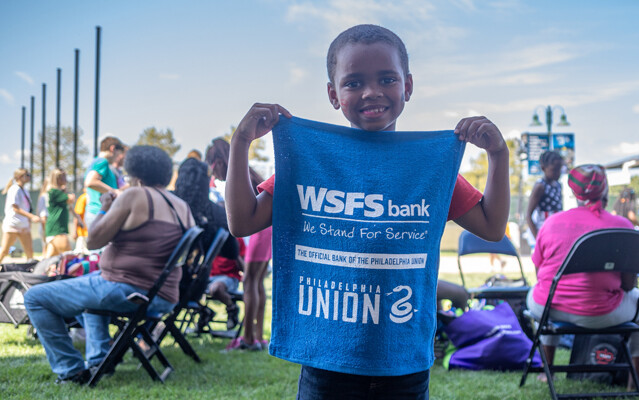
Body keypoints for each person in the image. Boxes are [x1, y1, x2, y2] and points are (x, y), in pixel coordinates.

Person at [225, 24, 509, 398]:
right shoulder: (311, 163)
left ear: (408, 86)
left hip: (403, 361)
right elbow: (242, 221)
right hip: (327, 361)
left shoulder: (427, 167)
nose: (371, 92)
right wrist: (240, 143)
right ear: (333, 93)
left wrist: (498, 155)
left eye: (386, 79)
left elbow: (491, 227)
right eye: (354, 82)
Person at [24, 145, 195, 384]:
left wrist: (105, 208)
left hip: (129, 290)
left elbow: (93, 241)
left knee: (35, 297)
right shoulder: (181, 206)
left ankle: (71, 370)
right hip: (163, 295)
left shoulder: (136, 195)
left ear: (135, 175)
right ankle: (98, 360)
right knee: (90, 288)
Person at [526, 164, 639, 390]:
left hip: (549, 308)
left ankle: (547, 371)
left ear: (573, 191)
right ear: (604, 190)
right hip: (602, 314)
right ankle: (637, 381)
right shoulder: (622, 226)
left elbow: (541, 274)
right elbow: (629, 285)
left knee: (540, 293)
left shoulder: (551, 223)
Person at [205, 138, 272, 350]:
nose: (213, 174)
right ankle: (257, 336)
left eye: (212, 166)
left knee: (250, 282)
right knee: (257, 283)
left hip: (259, 232)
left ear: (218, 162)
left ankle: (249, 339)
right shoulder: (248, 173)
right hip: (266, 230)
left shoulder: (239, 176)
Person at [173, 157, 242, 332]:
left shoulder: (168, 204)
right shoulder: (217, 213)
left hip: (163, 282)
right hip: (194, 285)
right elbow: (232, 252)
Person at [83, 136, 125, 228]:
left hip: (95, 214)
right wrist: (115, 192)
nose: (118, 157)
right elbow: (90, 182)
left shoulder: (95, 162)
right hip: (100, 213)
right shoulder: (102, 162)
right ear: (112, 149)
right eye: (119, 153)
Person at [524, 151, 563, 247]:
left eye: (559, 169)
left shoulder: (557, 185)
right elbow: (528, 215)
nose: (558, 173)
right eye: (554, 170)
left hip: (557, 231)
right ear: (543, 168)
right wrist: (538, 240)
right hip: (544, 231)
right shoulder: (540, 187)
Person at [1, 168, 41, 262]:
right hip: (13, 225)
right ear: (20, 177)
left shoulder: (25, 190)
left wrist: (28, 221)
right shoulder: (14, 189)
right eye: (26, 175)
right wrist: (32, 217)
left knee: (29, 251)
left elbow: (26, 208)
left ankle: (30, 271)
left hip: (24, 226)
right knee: (5, 251)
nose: (29, 177)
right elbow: (15, 208)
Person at [43, 169, 75, 258]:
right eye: (64, 177)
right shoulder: (54, 191)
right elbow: (71, 199)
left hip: (55, 230)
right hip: (57, 229)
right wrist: (67, 193)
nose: (66, 179)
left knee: (49, 260)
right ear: (57, 179)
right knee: (70, 258)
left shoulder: (55, 191)